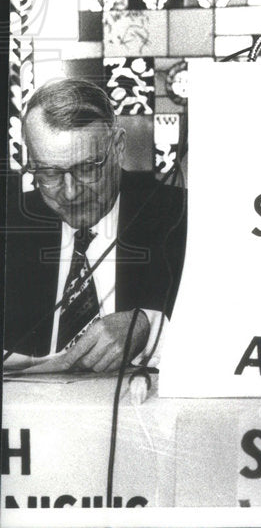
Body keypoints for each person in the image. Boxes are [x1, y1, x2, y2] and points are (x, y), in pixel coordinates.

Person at [4, 78, 186, 372]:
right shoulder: (8, 226)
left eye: (87, 168)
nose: (71, 192)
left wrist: (149, 328)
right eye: (48, 173)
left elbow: (233, 333)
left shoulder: (181, 218)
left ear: (118, 147)